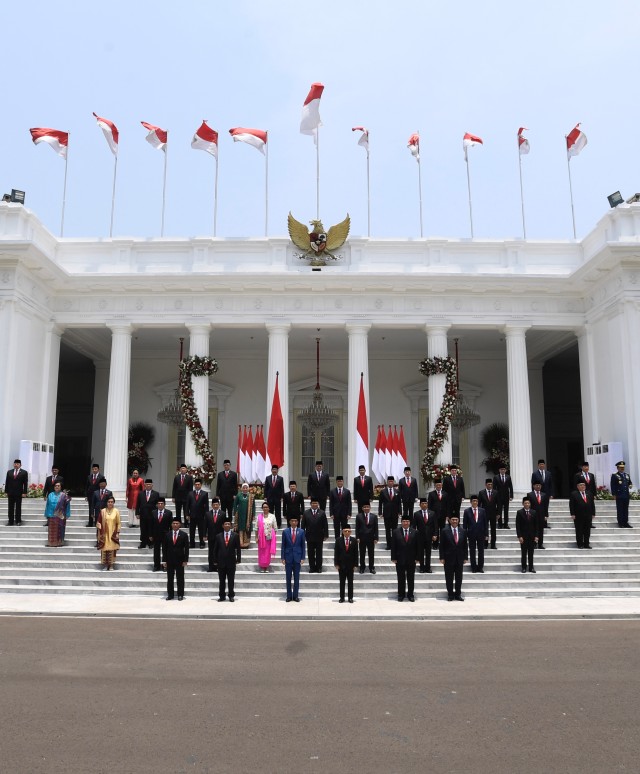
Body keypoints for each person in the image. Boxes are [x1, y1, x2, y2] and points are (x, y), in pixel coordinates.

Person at [439, 514, 468, 601]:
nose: (454, 521)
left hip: (459, 558)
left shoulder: (462, 531)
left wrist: (465, 557)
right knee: (449, 577)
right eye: (453, 519)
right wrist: (442, 557)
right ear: (450, 521)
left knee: (459, 577)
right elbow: (441, 546)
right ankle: (450, 594)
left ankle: (458, 594)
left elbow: (465, 545)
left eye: (456, 519)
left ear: (458, 521)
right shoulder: (444, 531)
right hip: (448, 558)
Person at [390, 516, 419, 601]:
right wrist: (393, 557)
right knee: (401, 578)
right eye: (404, 521)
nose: (405, 523)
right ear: (401, 522)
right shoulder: (396, 532)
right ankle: (401, 594)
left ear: (410, 522)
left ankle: (410, 594)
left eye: (407, 521)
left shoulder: (415, 532)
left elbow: (418, 546)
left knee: (411, 578)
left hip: (411, 559)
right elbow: (393, 546)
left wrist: (417, 558)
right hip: (399, 559)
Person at [213, 519, 241, 601]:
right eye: (226, 524)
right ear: (223, 526)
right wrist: (215, 560)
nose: (227, 525)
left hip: (231, 561)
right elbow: (215, 549)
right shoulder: (218, 536)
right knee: (221, 580)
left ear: (231, 526)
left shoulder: (235, 535)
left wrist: (238, 558)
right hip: (221, 562)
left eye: (229, 524)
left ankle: (231, 595)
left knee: (231, 580)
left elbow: (238, 548)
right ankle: (222, 596)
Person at [162, 517, 189, 600]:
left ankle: (180, 594)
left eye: (177, 523)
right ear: (171, 524)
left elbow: (186, 548)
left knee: (180, 577)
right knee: (170, 578)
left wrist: (185, 560)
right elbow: (164, 548)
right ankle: (170, 594)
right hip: (170, 559)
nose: (175, 525)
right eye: (174, 523)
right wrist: (164, 560)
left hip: (180, 559)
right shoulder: (167, 534)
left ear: (180, 525)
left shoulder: (184, 535)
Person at [301, 498, 329, 572]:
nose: (314, 504)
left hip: (319, 536)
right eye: (313, 503)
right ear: (310, 504)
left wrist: (326, 535)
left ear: (318, 504)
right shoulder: (306, 513)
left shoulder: (322, 513)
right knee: (310, 553)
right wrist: (302, 535)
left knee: (319, 553)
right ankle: (312, 567)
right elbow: (303, 525)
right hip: (309, 536)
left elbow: (325, 525)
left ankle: (319, 567)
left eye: (316, 503)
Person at [281, 517, 305, 601]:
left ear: (297, 522)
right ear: (290, 522)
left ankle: (295, 596)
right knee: (288, 578)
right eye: (292, 521)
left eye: (295, 521)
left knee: (296, 578)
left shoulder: (301, 532)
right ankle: (288, 596)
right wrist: (282, 557)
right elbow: (283, 545)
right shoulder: (285, 531)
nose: (294, 522)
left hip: (297, 557)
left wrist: (303, 557)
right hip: (288, 558)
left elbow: (303, 546)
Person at [462, 495, 488, 574]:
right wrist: (464, 535)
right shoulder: (467, 511)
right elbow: (464, 525)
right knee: (472, 551)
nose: (475, 502)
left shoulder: (482, 511)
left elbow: (485, 524)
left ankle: (480, 567)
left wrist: (486, 535)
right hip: (471, 534)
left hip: (481, 534)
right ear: (470, 502)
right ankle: (473, 567)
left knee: (481, 551)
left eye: (476, 501)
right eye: (473, 501)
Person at [412, 497, 438, 573]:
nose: (424, 505)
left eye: (425, 503)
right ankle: (422, 567)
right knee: (420, 553)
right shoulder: (416, 514)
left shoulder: (432, 513)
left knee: (428, 553)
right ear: (420, 505)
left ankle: (428, 567)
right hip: (420, 537)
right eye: (422, 503)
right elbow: (414, 527)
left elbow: (435, 526)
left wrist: (435, 535)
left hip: (429, 537)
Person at [334, 523, 358, 603]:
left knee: (350, 582)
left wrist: (355, 564)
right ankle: (342, 597)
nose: (347, 532)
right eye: (345, 531)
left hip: (351, 566)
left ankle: (350, 597)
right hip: (341, 565)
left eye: (348, 531)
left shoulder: (354, 540)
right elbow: (336, 553)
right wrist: (336, 564)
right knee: (342, 582)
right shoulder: (338, 540)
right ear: (342, 532)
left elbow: (356, 553)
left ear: (350, 532)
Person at [97, 496, 121, 571]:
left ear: (114, 503)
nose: (110, 503)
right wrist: (100, 529)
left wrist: (117, 532)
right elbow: (98, 522)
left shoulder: (116, 511)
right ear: (106, 503)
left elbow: (118, 523)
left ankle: (111, 566)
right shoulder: (103, 511)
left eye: (112, 502)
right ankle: (105, 565)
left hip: (112, 534)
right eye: (109, 502)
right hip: (104, 533)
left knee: (112, 549)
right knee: (104, 549)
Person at [569, 481, 595, 549]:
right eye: (581, 485)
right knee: (579, 530)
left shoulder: (589, 493)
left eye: (583, 485)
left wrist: (593, 513)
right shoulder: (574, 494)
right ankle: (580, 544)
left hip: (588, 515)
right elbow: (571, 505)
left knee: (587, 530)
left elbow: (592, 504)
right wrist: (572, 514)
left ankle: (586, 544)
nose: (582, 486)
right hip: (578, 515)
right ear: (577, 487)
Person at [516, 497, 539, 572]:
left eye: (528, 503)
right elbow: (518, 525)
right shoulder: (519, 512)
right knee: (524, 553)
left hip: (532, 536)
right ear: (523, 504)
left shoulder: (534, 512)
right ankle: (523, 567)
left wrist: (536, 536)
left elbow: (536, 525)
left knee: (531, 553)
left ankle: (531, 567)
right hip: (523, 536)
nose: (527, 504)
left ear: (530, 504)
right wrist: (519, 536)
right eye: (525, 503)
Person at [44, 482, 71, 547]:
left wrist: (67, 514)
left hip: (60, 515)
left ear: (61, 487)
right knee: (52, 530)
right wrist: (46, 514)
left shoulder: (64, 495)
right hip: (51, 515)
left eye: (58, 486)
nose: (57, 487)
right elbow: (47, 505)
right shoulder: (50, 494)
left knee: (59, 529)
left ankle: (59, 543)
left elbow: (68, 506)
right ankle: (51, 543)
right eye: (55, 486)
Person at [355, 501, 378, 574]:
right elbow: (357, 528)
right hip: (362, 538)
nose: (366, 508)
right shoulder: (359, 516)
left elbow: (376, 528)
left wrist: (376, 538)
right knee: (362, 553)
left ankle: (371, 567)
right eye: (365, 507)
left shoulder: (374, 516)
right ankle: (362, 567)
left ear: (370, 508)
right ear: (362, 508)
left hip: (371, 538)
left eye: (368, 507)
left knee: (371, 554)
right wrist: (357, 537)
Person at [150, 497, 173, 571]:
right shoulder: (153, 512)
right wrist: (150, 535)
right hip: (156, 535)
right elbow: (151, 525)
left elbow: (171, 525)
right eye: (159, 503)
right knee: (156, 551)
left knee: (165, 551)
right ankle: (156, 565)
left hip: (165, 535)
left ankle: (165, 565)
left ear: (164, 504)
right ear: (157, 505)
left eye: (162, 503)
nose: (160, 505)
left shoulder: (169, 513)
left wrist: (171, 535)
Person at [136, 479, 159, 549]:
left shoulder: (156, 494)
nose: (148, 485)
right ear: (144, 485)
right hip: (143, 514)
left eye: (150, 484)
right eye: (147, 484)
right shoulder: (140, 493)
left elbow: (158, 505)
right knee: (143, 528)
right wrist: (137, 513)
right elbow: (138, 504)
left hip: (152, 514)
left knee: (151, 528)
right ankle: (143, 542)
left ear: (152, 485)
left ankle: (151, 543)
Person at [186, 478, 209, 548]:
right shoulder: (190, 493)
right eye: (196, 484)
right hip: (192, 515)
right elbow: (187, 505)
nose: (197, 486)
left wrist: (206, 515)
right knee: (192, 531)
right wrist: (187, 514)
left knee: (201, 530)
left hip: (201, 515)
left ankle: (202, 543)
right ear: (194, 485)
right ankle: (192, 543)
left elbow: (206, 505)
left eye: (198, 484)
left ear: (201, 485)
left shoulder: (205, 494)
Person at [378, 476, 400, 549]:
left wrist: (400, 512)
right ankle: (388, 544)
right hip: (386, 513)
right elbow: (380, 503)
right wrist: (380, 512)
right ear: (387, 482)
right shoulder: (383, 491)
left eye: (392, 481)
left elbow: (399, 503)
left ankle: (394, 544)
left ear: (393, 482)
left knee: (395, 529)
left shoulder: (397, 491)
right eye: (389, 481)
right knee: (387, 530)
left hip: (395, 513)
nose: (390, 482)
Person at [5, 459, 28, 526]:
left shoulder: (24, 472)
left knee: (18, 507)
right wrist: (6, 491)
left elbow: (25, 483)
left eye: (17, 464)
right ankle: (10, 521)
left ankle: (18, 521)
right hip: (11, 493)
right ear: (13, 464)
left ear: (20, 465)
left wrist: (24, 492)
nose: (16, 465)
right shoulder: (9, 472)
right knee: (10, 507)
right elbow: (7, 482)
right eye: (15, 463)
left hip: (19, 493)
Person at [205, 497, 226, 572]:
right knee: (211, 552)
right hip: (211, 536)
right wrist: (204, 535)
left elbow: (224, 525)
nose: (215, 506)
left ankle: (218, 566)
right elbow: (205, 525)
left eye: (217, 505)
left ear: (219, 505)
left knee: (219, 552)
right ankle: (211, 567)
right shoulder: (208, 514)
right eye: (214, 505)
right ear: (212, 505)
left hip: (220, 536)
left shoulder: (223, 514)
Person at [610, 461, 633, 528]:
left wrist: (630, 485)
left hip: (626, 495)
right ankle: (620, 523)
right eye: (621, 467)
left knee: (625, 509)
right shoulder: (615, 475)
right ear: (618, 468)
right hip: (619, 495)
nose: (622, 469)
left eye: (623, 467)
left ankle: (626, 522)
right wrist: (614, 494)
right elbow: (613, 485)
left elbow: (630, 482)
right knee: (620, 509)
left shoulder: (627, 475)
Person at [478, 479, 500, 549]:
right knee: (485, 530)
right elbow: (479, 504)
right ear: (486, 485)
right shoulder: (481, 493)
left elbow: (498, 504)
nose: (490, 486)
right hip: (484, 514)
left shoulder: (496, 492)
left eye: (491, 484)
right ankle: (485, 544)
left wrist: (498, 513)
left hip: (493, 514)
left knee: (493, 530)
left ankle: (493, 544)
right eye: (488, 484)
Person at [256, 501, 277, 572]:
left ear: (269, 508)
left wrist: (273, 536)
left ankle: (267, 566)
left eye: (266, 507)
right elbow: (256, 528)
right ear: (262, 508)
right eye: (264, 507)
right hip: (261, 538)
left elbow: (275, 527)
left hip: (269, 537)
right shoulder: (259, 517)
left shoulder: (272, 516)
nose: (265, 508)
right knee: (262, 552)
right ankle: (262, 566)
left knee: (268, 552)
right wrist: (256, 537)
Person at [528, 482, 550, 548]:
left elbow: (546, 506)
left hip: (541, 515)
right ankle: (533, 543)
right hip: (533, 515)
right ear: (533, 486)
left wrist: (546, 515)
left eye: (539, 485)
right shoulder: (530, 495)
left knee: (541, 530)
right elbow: (529, 506)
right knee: (533, 529)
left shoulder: (544, 495)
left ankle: (540, 544)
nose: (538, 486)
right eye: (537, 485)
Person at [233, 483, 255, 548]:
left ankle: (246, 543)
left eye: (246, 488)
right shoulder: (239, 495)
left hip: (248, 515)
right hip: (240, 515)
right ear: (242, 488)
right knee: (240, 528)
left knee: (247, 528)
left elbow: (253, 506)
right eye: (244, 488)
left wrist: (253, 515)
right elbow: (235, 504)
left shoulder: (251, 496)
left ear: (248, 488)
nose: (245, 489)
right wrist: (236, 512)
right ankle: (240, 543)